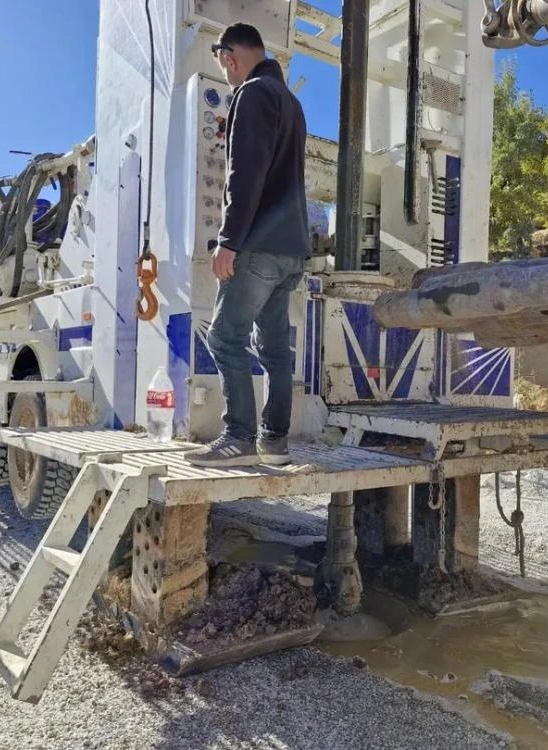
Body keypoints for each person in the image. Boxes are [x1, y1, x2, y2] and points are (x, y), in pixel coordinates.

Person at [186, 22, 309, 468]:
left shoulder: (252, 94)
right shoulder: (291, 102)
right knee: (274, 347)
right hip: (292, 248)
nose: (226, 75)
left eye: (224, 66)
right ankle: (274, 443)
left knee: (224, 337)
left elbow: (245, 174)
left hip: (259, 246)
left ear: (229, 58)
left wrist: (229, 241)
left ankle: (238, 437)